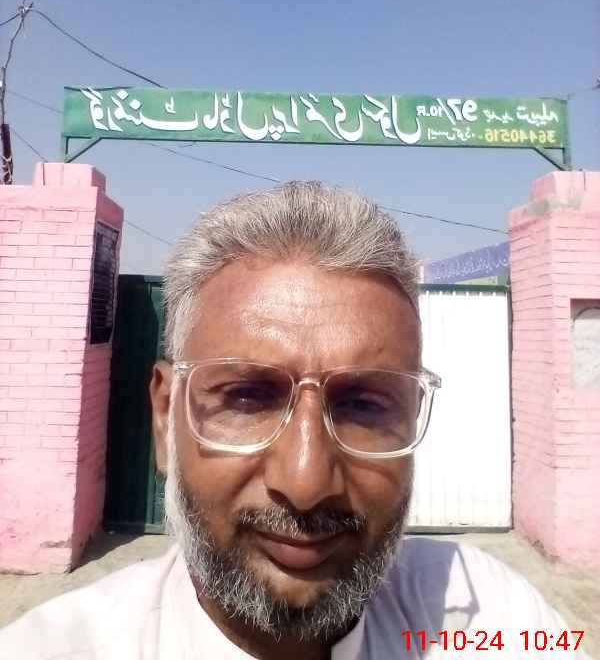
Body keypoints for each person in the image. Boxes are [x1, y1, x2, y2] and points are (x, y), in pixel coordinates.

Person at [0, 181, 590, 660]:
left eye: (362, 404)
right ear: (163, 418)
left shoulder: (491, 619)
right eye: (247, 397)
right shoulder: (55, 649)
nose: (306, 482)